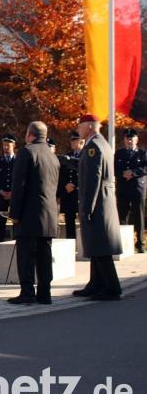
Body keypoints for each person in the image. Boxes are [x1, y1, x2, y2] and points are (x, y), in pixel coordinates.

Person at [7, 122, 60, 305]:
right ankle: (45, 293)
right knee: (44, 256)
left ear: (29, 134)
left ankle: (27, 292)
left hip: (29, 215)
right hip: (49, 215)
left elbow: (19, 186)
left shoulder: (27, 152)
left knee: (26, 255)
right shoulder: (53, 157)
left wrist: (14, 213)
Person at [73, 114, 123, 301]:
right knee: (96, 245)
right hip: (103, 200)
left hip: (98, 202)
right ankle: (96, 283)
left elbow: (94, 178)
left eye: (80, 126)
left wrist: (88, 207)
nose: (78, 130)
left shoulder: (94, 146)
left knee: (100, 247)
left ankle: (110, 287)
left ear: (90, 127)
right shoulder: (100, 144)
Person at [114, 128, 146, 253]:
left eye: (131, 138)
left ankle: (140, 243)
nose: (129, 140)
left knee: (139, 216)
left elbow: (145, 167)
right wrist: (123, 174)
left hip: (137, 188)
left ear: (136, 140)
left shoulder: (142, 153)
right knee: (122, 215)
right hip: (123, 188)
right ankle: (123, 243)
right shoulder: (119, 153)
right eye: (127, 138)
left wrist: (133, 173)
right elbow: (114, 168)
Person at [57, 132, 84, 239]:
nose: (71, 142)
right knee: (69, 220)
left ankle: (84, 244)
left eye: (74, 140)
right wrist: (65, 185)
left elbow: (86, 174)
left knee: (83, 220)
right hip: (68, 193)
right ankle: (71, 242)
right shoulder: (67, 156)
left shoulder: (87, 155)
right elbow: (62, 174)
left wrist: (75, 185)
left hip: (80, 193)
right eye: (71, 140)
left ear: (81, 141)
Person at [0, 134, 17, 243]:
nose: (6, 147)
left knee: (16, 221)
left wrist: (13, 191)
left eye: (8, 145)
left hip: (15, 196)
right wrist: (0, 190)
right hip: (1, 196)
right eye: (4, 145)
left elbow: (21, 178)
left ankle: (17, 243)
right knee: (1, 222)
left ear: (14, 145)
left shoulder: (19, 161)